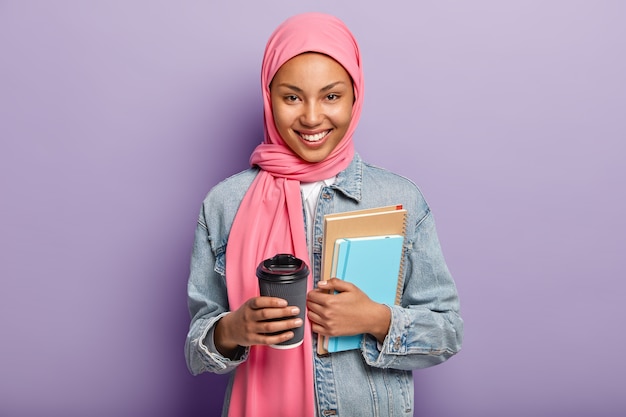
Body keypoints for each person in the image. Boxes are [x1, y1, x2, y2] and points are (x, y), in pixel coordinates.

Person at [185, 12, 463, 417]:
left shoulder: (400, 199)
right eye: (292, 97)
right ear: (269, 97)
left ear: (356, 96)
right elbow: (198, 345)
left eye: (331, 96)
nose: (312, 117)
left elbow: (448, 331)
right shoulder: (224, 204)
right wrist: (232, 330)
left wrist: (377, 319)